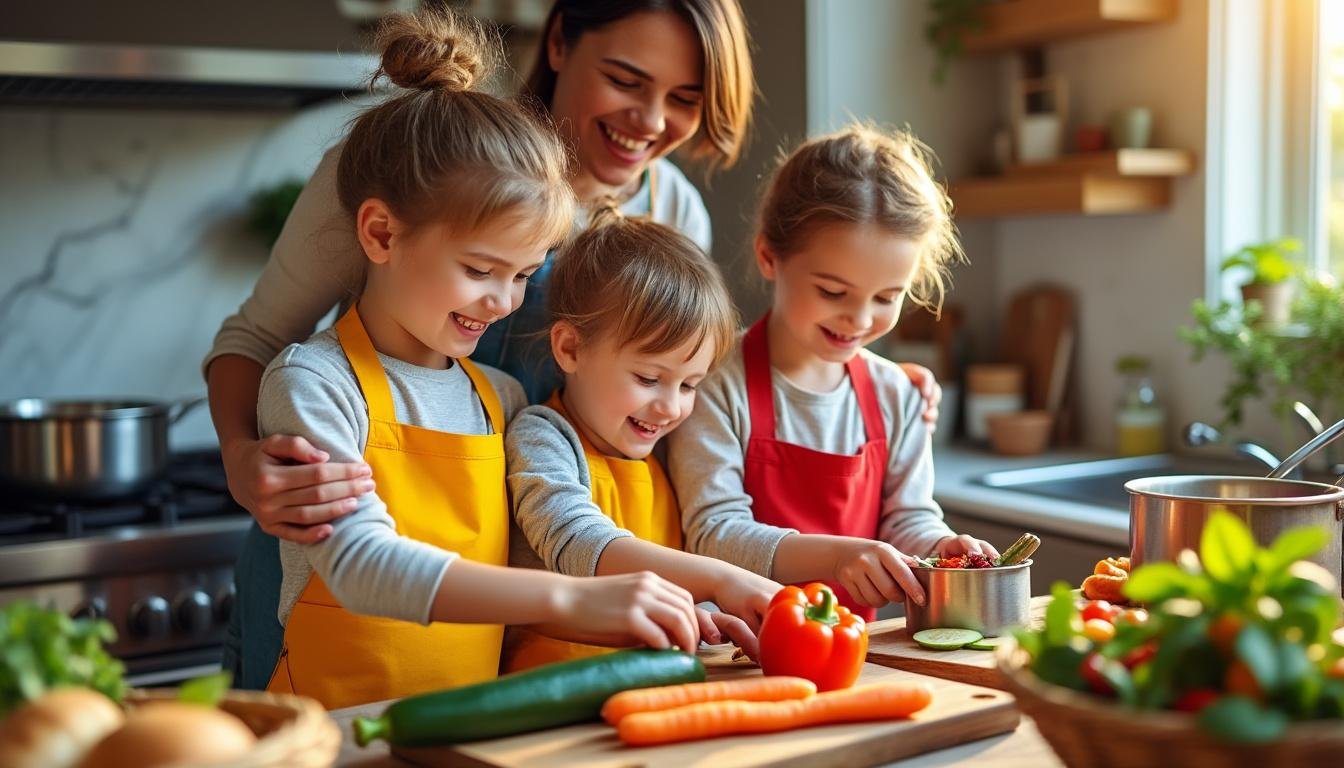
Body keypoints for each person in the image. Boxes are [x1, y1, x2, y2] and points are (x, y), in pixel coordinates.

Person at [204, 0, 936, 687]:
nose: (650, 121)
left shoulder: (665, 215)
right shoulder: (413, 168)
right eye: (625, 79)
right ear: (559, 42)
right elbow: (258, 339)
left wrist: (848, 372)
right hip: (344, 603)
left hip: (517, 614)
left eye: (685, 99)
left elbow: (684, 383)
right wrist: (243, 460)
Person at [257, 10, 706, 711]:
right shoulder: (312, 382)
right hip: (329, 731)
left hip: (461, 730)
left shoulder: (501, 399)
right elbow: (360, 564)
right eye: (480, 269)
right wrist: (578, 598)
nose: (504, 302)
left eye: (525, 275)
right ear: (379, 232)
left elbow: (539, 542)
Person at [666, 125, 998, 623]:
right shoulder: (713, 383)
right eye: (832, 292)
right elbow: (716, 535)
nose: (860, 320)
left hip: (852, 653)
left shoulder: (897, 395)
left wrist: (940, 544)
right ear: (768, 257)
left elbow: (907, 517)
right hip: (740, 649)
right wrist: (838, 558)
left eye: (887, 297)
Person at [504, 206, 779, 671]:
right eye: (649, 378)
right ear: (570, 348)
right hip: (554, 706)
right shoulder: (542, 436)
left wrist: (706, 617)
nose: (671, 408)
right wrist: (720, 580)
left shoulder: (665, 451)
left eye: (690, 385)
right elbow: (581, 542)